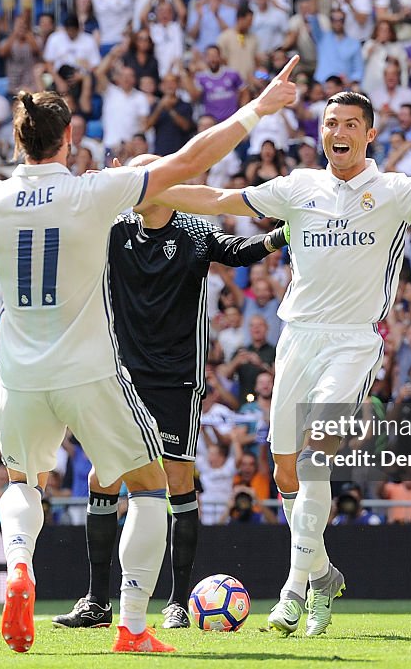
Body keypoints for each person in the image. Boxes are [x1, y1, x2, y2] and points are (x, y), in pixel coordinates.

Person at [0, 56, 299, 653]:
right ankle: (135, 626)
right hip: (89, 371)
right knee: (147, 486)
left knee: (22, 481)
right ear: (70, 138)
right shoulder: (95, 192)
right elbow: (190, 162)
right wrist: (259, 107)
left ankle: (18, 568)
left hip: (18, 374)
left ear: (18, 142)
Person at [151, 91, 411, 636]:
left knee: (318, 450)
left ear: (369, 134)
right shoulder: (299, 187)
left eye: (348, 123)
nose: (336, 131)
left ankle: (294, 591)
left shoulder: (393, 192)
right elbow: (222, 199)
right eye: (329, 123)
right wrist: (145, 188)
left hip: (352, 342)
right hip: (296, 339)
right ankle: (323, 576)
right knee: (286, 471)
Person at [51, 154, 287, 630]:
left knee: (178, 481)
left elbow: (242, 251)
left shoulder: (195, 232)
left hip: (176, 377)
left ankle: (178, 601)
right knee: (103, 478)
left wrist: (285, 233)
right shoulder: (113, 229)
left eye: (142, 177)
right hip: (120, 375)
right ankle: (98, 602)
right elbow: (65, 222)